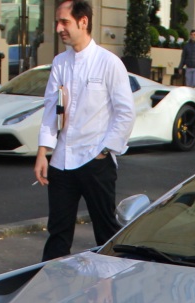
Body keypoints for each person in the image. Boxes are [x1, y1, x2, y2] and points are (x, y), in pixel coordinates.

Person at [35, 0, 136, 261]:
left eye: (64, 22)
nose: (59, 28)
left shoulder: (108, 63)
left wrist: (105, 151)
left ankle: (112, 288)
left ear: (83, 21)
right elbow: (50, 108)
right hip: (62, 162)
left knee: (106, 234)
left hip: (95, 161)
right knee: (57, 234)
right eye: (57, 22)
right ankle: (51, 289)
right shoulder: (60, 63)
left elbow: (125, 113)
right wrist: (43, 152)